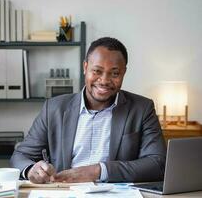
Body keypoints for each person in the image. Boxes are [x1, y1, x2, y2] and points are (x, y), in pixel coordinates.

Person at [10, 37, 166, 184]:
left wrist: (99, 170)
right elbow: (21, 155)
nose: (104, 81)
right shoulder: (54, 108)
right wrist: (31, 169)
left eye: (115, 73)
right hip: (64, 192)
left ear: (124, 72)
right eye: (97, 71)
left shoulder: (142, 108)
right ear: (85, 67)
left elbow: (157, 164)